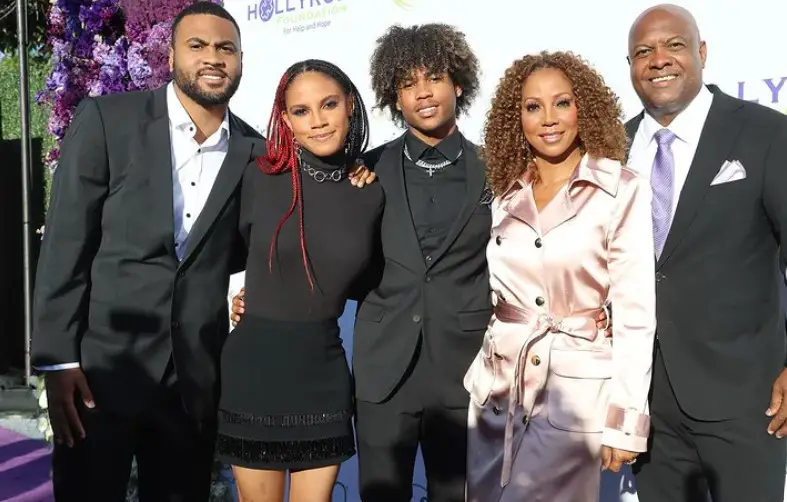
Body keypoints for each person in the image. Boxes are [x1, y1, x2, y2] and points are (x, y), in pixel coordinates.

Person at [30, 3, 263, 500]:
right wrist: (57, 361)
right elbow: (68, 245)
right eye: (197, 46)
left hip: (192, 384)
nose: (213, 58)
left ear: (241, 59)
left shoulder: (254, 152)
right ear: (172, 55)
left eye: (226, 48)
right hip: (99, 376)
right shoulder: (109, 121)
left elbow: (241, 249)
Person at [462, 50, 656, 502]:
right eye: (533, 107)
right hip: (497, 393)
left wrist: (626, 421)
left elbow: (635, 312)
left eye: (562, 103)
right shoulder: (506, 193)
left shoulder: (619, 188)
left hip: (570, 400)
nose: (548, 119)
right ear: (518, 118)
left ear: (583, 108)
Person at [624, 5, 787, 501]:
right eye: (643, 51)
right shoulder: (614, 145)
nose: (659, 60)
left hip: (747, 400)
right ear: (629, 65)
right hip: (648, 407)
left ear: (702, 53)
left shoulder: (766, 133)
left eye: (674, 45)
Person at [215, 59, 384, 502]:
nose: (318, 120)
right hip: (253, 371)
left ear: (349, 104)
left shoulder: (370, 189)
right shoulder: (257, 176)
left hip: (322, 373)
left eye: (328, 104)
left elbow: (373, 281)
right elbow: (214, 257)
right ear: (286, 120)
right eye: (302, 111)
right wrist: (241, 298)